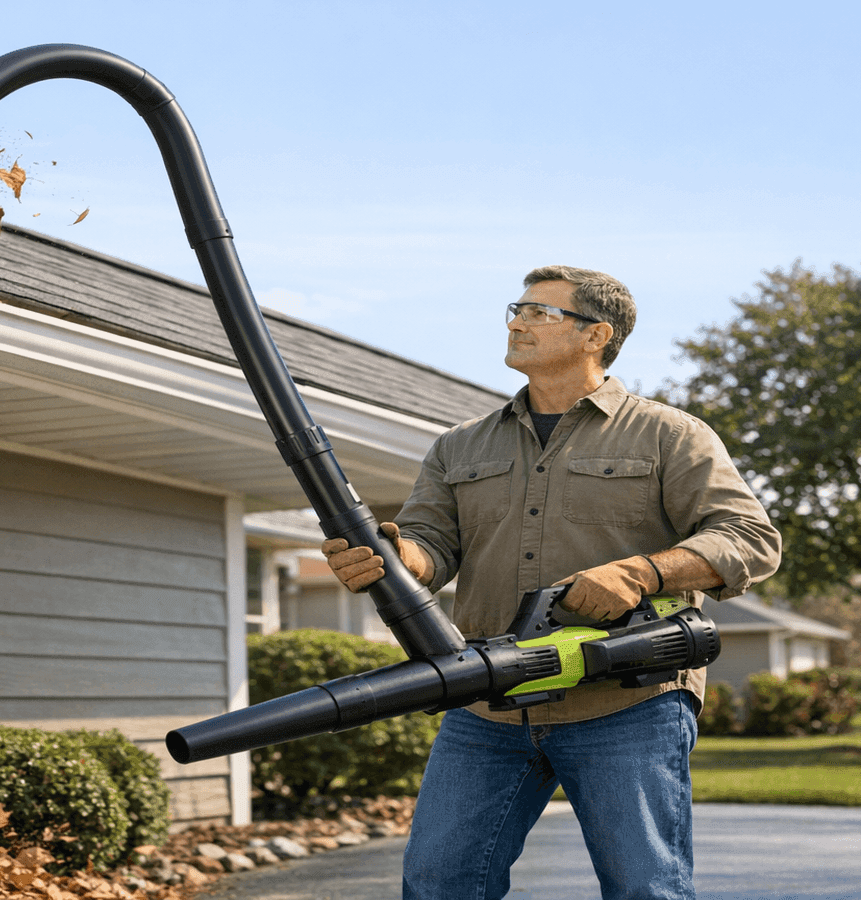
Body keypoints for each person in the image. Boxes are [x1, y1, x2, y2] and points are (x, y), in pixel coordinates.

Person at [323, 266, 781, 900]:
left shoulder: (668, 434)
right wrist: (393, 558)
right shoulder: (459, 446)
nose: (517, 323)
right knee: (437, 882)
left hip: (627, 702)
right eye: (516, 310)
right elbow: (431, 548)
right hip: (487, 702)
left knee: (644, 889)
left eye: (539, 312)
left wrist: (640, 571)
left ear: (597, 334)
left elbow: (751, 540)